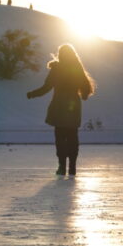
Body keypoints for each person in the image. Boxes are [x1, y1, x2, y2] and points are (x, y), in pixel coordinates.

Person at [27, 43, 95, 177]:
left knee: (60, 138)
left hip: (59, 106)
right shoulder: (77, 67)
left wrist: (32, 94)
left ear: (60, 55)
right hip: (73, 107)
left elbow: (46, 87)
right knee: (72, 138)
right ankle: (72, 167)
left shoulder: (56, 69)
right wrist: (84, 95)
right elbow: (86, 88)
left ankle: (62, 167)